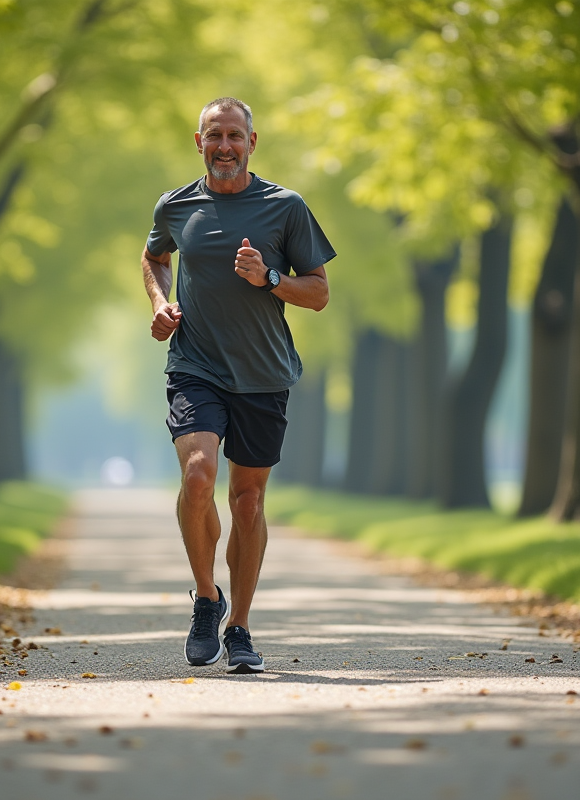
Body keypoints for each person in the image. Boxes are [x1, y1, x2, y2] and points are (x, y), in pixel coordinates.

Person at [141, 97, 336, 673]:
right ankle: (206, 595)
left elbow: (319, 293)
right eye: (214, 135)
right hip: (195, 364)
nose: (224, 146)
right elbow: (154, 256)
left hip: (263, 374)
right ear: (197, 141)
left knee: (247, 502)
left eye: (235, 136)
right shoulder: (176, 206)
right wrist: (160, 302)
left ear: (253, 142)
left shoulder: (285, 207)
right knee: (198, 473)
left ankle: (240, 627)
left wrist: (270, 278)